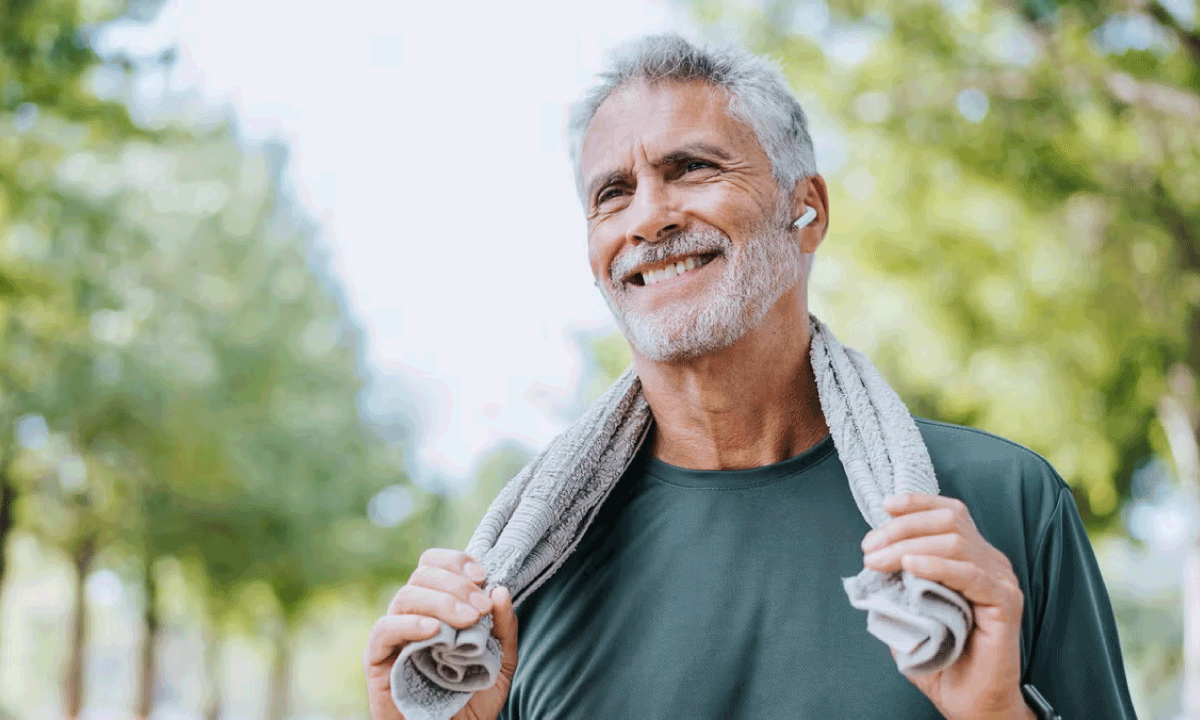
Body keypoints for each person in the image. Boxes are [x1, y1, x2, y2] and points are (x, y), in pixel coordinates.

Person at [363, 33, 1138, 720]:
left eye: (690, 168)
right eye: (613, 193)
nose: (648, 218)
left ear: (806, 212)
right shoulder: (513, 581)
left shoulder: (998, 508)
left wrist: (997, 716)